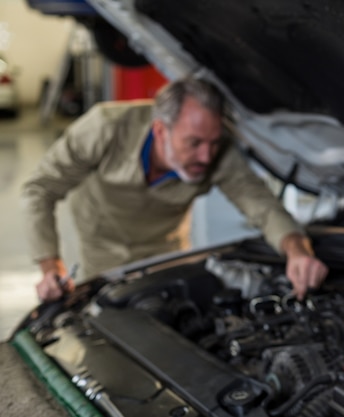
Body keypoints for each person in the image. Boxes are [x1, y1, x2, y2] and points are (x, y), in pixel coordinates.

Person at [22, 76, 328, 302]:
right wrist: (50, 267)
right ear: (160, 131)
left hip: (164, 255)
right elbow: (40, 189)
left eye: (213, 143)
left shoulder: (218, 154)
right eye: (193, 143)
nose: (206, 157)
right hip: (96, 253)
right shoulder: (104, 128)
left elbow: (262, 206)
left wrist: (297, 251)